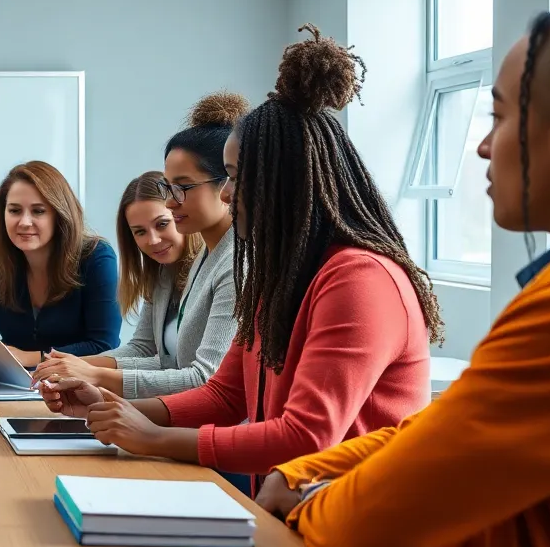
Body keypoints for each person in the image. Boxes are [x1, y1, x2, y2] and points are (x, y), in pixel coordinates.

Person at [257, 7, 550, 547]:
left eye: (500, 116)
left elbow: (388, 517)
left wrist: (311, 498)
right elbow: (444, 433)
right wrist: (308, 472)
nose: (485, 146)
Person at [42, 26, 440, 490]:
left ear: (288, 183)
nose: (228, 195)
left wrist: (154, 437)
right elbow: (226, 395)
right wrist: (107, 409)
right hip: (287, 512)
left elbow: (306, 436)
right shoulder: (279, 277)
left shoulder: (360, 280)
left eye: (236, 177)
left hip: (354, 529)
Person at [33, 94, 245, 399]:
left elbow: (204, 379)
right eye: (168, 189)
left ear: (225, 185)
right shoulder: (203, 259)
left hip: (209, 433)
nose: (172, 202)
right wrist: (74, 369)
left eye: (182, 188)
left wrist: (92, 375)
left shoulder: (237, 263)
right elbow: (164, 360)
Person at [0, 160, 121, 384]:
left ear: (59, 215)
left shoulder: (96, 257)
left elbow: (104, 345)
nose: (24, 222)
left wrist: (31, 357)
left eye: (38, 211)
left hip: (78, 389)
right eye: (15, 210)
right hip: (13, 387)